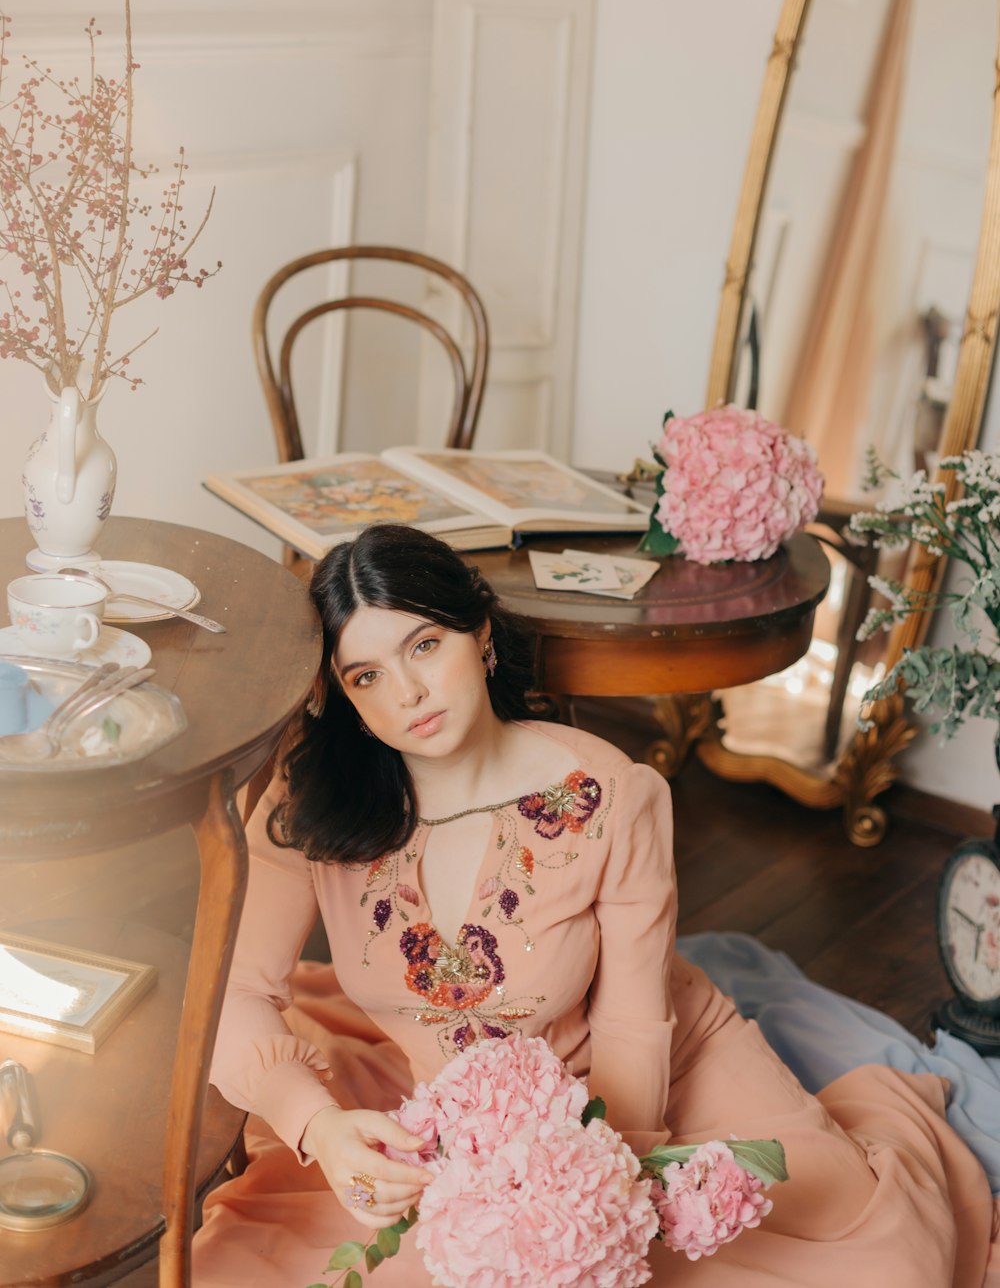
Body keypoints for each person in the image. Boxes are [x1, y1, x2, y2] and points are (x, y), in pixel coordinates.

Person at [194, 524, 997, 1287]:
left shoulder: (611, 794)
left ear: (481, 635)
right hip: (461, 1118)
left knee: (877, 1260)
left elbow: (630, 1025)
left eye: (425, 645)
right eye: (366, 675)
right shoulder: (314, 806)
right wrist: (320, 1128)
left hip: (657, 1070)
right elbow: (235, 995)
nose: (406, 693)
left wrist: (608, 1179)